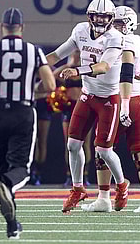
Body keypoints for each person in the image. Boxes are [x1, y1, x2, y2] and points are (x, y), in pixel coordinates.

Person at [0, 7, 56, 239]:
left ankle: (12, 225)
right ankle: (7, 187)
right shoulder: (33, 51)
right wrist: (31, 91)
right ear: (22, 28)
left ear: (1, 28)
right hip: (22, 112)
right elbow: (49, 85)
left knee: (2, 168)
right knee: (20, 171)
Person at [45, 0, 133, 214]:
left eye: (105, 16)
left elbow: (103, 66)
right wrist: (34, 65)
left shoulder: (115, 37)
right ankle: (78, 188)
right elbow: (57, 55)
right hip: (88, 95)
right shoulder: (80, 31)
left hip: (108, 99)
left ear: (111, 19)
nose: (101, 20)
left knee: (103, 150)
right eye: (97, 15)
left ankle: (121, 185)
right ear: (89, 17)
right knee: (72, 145)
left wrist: (77, 71)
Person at [83, 6, 140, 213]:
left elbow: (127, 72)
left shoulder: (119, 41)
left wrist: (124, 103)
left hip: (123, 97)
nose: (115, 27)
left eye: (119, 23)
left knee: (102, 148)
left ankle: (104, 197)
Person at [51, 51, 93, 187]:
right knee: (69, 144)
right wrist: (68, 65)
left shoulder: (86, 70)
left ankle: (85, 174)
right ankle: (70, 175)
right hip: (69, 108)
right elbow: (52, 76)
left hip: (84, 106)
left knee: (86, 143)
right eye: (74, 53)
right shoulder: (67, 70)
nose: (76, 55)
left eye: (78, 53)